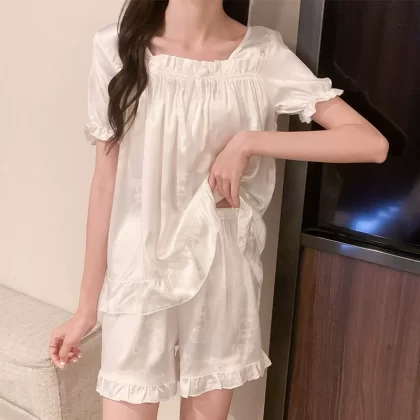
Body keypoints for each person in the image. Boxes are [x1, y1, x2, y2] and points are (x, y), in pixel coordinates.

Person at [49, 0, 388, 419]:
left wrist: (251, 142)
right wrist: (86, 310)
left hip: (222, 268)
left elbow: (370, 143)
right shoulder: (118, 47)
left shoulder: (261, 55)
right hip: (140, 265)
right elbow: (106, 184)